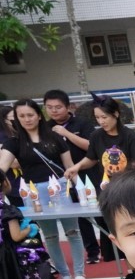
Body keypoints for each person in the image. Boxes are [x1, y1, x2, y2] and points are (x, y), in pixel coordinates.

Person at [0, 99, 86, 279]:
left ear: (39, 115)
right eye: (22, 116)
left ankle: (80, 274)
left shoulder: (55, 138)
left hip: (60, 187)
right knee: (50, 235)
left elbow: (69, 167)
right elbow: (2, 168)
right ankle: (65, 275)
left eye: (30, 115)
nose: (27, 119)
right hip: (34, 193)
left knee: (73, 231)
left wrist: (81, 191)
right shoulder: (13, 142)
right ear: (16, 119)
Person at [43, 89, 108, 264]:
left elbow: (91, 146)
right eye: (49, 107)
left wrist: (66, 134)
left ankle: (109, 248)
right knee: (80, 215)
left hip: (89, 172)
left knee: (100, 211)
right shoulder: (46, 128)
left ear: (67, 107)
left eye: (58, 107)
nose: (54, 110)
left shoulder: (82, 123)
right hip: (64, 176)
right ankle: (92, 251)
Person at [65, 96, 135, 189]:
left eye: (104, 117)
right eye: (97, 117)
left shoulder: (132, 137)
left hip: (129, 187)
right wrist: (77, 166)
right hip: (106, 187)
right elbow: (91, 158)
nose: (101, 122)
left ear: (116, 114)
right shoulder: (96, 136)